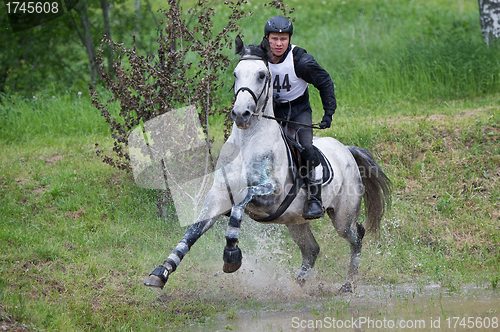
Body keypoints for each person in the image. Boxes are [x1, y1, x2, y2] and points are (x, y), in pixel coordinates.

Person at [264, 16, 337, 220]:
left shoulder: (301, 61)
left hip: (298, 112)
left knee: (305, 146)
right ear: (267, 38)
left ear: (289, 39)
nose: (279, 44)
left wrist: (328, 113)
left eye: (283, 39)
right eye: (274, 39)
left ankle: (314, 198)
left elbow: (325, 82)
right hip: (271, 112)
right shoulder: (259, 57)